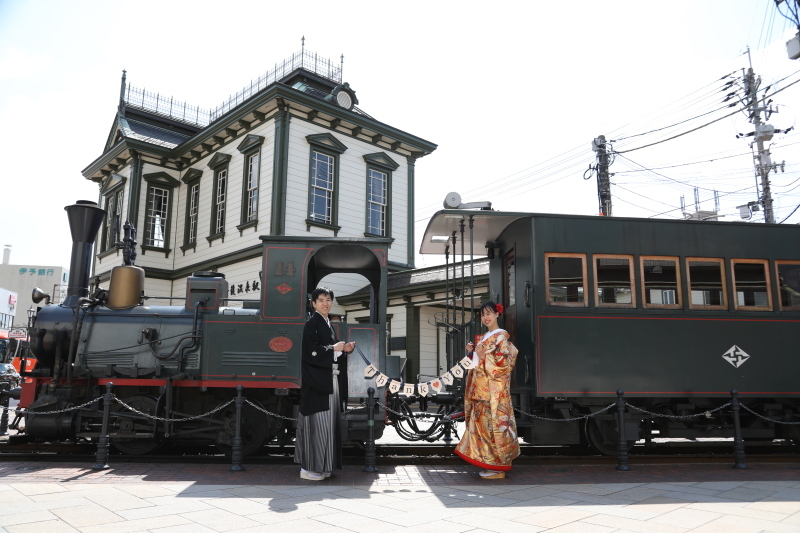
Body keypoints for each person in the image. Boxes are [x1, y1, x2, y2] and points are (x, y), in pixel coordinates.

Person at [294, 287, 355, 481]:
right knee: (318, 426)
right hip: (318, 385)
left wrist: (342, 349)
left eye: (328, 300)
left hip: (328, 382)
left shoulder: (327, 324)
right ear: (313, 304)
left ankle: (323, 466)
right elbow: (311, 352)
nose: (325, 303)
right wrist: (333, 348)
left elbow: (327, 351)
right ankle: (310, 469)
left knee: (327, 426)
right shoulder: (311, 324)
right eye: (320, 300)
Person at [454, 301, 520, 479]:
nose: (486, 317)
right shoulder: (486, 337)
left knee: (492, 428)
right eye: (483, 314)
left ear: (498, 314)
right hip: (481, 391)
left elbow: (504, 365)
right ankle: (489, 463)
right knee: (483, 429)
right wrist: (472, 353)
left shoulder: (501, 338)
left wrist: (482, 356)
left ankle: (498, 466)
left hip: (491, 393)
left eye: (489, 313)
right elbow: (479, 363)